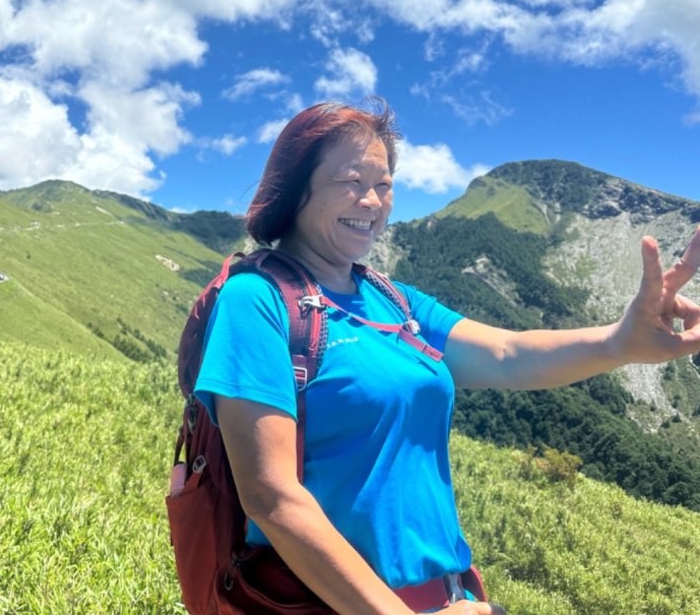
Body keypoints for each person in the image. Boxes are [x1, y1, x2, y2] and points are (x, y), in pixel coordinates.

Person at [192, 100, 700, 615]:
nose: (371, 200)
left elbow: (506, 354)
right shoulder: (256, 300)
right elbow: (272, 497)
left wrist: (620, 343)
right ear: (294, 188)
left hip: (449, 598)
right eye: (351, 181)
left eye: (384, 184)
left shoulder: (393, 300)